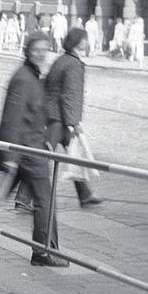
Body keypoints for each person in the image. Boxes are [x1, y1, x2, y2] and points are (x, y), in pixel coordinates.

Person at [0, 31, 68, 267]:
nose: (41, 54)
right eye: (37, 49)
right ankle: (43, 252)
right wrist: (10, 158)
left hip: (29, 150)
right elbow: (11, 119)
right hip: (26, 153)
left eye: (45, 49)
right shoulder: (23, 79)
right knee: (45, 199)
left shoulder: (32, 76)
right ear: (27, 51)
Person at [45, 26, 104, 207]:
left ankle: (84, 194)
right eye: (85, 39)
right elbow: (70, 95)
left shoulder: (61, 60)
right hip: (60, 120)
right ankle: (24, 199)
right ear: (78, 42)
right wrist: (74, 122)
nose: (87, 42)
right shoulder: (74, 64)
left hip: (55, 116)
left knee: (74, 155)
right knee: (42, 157)